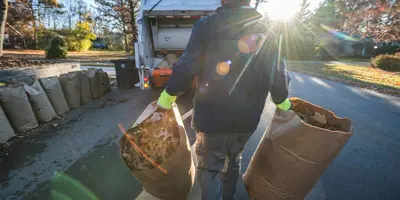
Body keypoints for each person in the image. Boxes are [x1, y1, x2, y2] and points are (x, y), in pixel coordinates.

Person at [157, 0, 291, 199]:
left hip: (212, 121)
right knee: (233, 160)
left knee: (210, 169)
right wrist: (283, 103)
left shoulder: (207, 26)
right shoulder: (265, 31)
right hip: (246, 121)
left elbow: (187, 66)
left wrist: (167, 97)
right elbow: (277, 74)